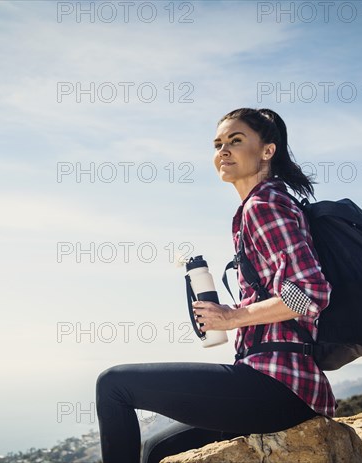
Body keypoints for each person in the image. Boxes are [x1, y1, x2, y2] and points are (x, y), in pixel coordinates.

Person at [95, 108, 335, 463]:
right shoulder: (262, 205)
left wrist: (231, 317)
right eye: (218, 143)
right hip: (263, 380)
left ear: (268, 151)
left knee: (113, 385)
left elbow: (311, 293)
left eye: (236, 141)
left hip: (279, 386)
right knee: (158, 450)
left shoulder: (265, 205)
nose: (223, 150)